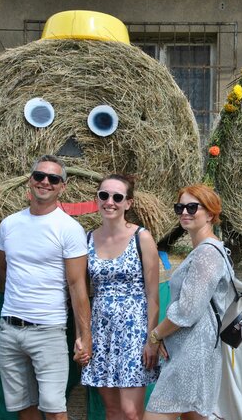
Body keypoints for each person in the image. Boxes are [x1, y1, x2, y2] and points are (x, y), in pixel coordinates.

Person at [0, 154, 91, 420]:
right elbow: (1, 270)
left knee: (54, 410)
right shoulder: (9, 225)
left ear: (63, 186)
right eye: (39, 176)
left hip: (48, 330)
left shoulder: (69, 229)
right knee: (23, 407)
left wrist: (84, 336)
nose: (45, 182)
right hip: (10, 330)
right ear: (30, 181)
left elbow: (77, 286)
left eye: (53, 178)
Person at [144, 184, 232, 420]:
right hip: (191, 351)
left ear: (211, 214)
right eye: (180, 207)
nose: (184, 212)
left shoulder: (207, 253)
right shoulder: (206, 250)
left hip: (193, 354)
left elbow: (187, 310)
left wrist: (155, 335)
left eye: (192, 207)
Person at [81, 174, 161, 420]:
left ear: (129, 203)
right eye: (104, 195)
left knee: (131, 412)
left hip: (134, 333)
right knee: (113, 411)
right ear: (97, 199)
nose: (110, 202)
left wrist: (152, 340)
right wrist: (84, 336)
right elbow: (82, 292)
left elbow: (153, 295)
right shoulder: (87, 239)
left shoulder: (142, 238)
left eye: (117, 197)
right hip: (102, 330)